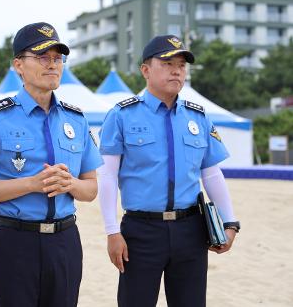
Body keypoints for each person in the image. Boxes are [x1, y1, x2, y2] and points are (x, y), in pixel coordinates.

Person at [0, 22, 103, 307]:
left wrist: (71, 184)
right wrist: (31, 184)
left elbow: (91, 190)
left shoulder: (76, 119)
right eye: (42, 57)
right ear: (18, 65)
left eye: (57, 58)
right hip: (15, 242)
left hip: (65, 242)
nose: (52, 65)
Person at [98, 35, 241, 307]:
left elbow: (211, 174)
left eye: (182, 65)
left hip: (191, 230)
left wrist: (230, 222)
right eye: (167, 63)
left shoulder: (198, 116)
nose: (177, 70)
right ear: (145, 70)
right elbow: (107, 176)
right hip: (140, 231)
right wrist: (111, 231)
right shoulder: (122, 115)